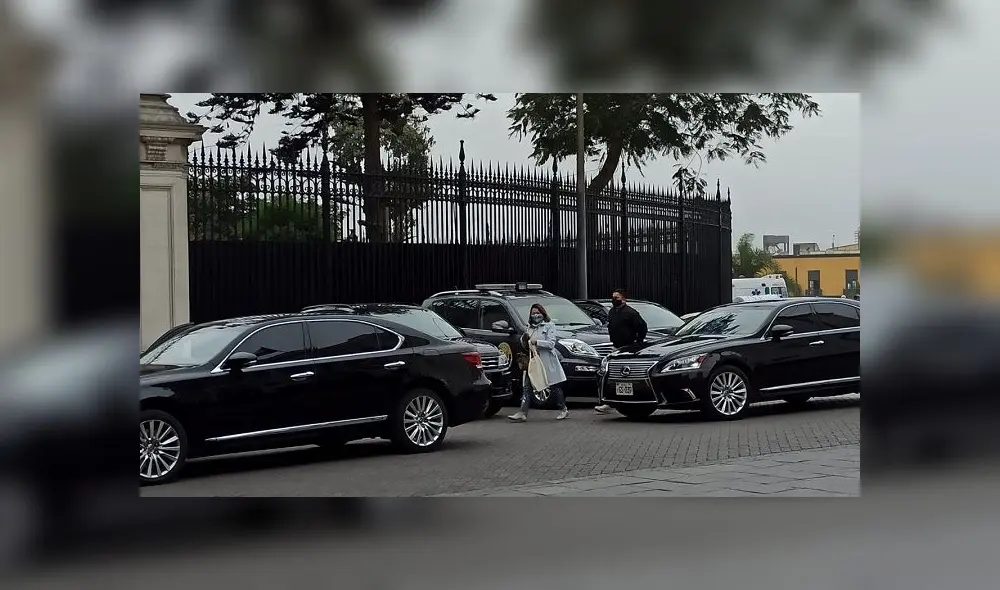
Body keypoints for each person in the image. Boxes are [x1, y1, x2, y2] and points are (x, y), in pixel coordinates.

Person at [508, 303, 569, 422]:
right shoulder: (529, 327)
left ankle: (563, 409)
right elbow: (526, 343)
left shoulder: (549, 325)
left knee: (553, 386)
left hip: (546, 361)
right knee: (527, 386)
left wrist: (537, 342)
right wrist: (524, 341)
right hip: (533, 360)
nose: (536, 315)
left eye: (538, 313)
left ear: (543, 313)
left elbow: (551, 344)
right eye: (533, 313)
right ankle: (522, 412)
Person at [595, 288, 648, 415]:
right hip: (616, 347)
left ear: (624, 299)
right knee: (610, 374)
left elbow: (642, 327)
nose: (614, 299)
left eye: (617, 297)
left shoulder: (631, 313)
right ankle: (608, 401)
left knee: (625, 374)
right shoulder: (612, 312)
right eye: (613, 297)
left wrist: (637, 342)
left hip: (628, 348)